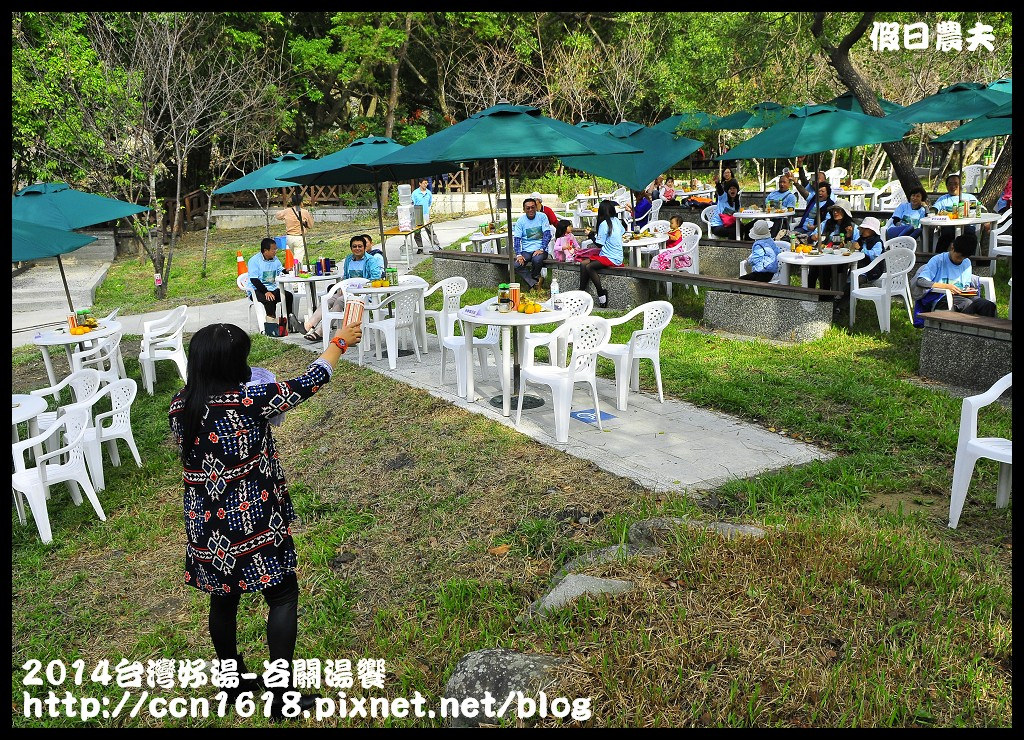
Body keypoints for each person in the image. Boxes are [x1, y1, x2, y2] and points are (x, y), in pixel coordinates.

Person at [168, 319, 362, 720]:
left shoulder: (179, 406)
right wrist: (340, 342)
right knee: (282, 595)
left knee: (223, 601)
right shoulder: (249, 399)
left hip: (206, 527)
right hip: (256, 520)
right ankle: (282, 695)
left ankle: (232, 681)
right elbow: (312, 379)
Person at [303, 236, 383, 342]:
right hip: (347, 291)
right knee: (329, 299)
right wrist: (342, 287)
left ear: (364, 248)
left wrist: (360, 287)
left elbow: (375, 278)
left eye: (360, 246)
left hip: (364, 294)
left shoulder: (371, 260)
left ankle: (320, 332)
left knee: (339, 301)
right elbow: (345, 276)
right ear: (351, 248)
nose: (357, 249)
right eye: (354, 246)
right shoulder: (348, 259)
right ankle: (309, 325)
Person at [911, 232, 996, 322]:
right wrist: (947, 286)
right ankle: (961, 331)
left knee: (987, 305)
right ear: (952, 247)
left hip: (961, 296)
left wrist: (967, 290)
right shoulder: (938, 260)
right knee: (967, 304)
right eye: (959, 256)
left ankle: (986, 333)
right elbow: (921, 281)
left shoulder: (966, 262)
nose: (960, 260)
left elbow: (965, 284)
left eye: (964, 258)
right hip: (941, 297)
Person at [578, 199, 625, 307]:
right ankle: (581, 291)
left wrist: (590, 235)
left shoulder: (604, 224)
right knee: (583, 264)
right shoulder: (616, 221)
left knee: (589, 267)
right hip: (615, 255)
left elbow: (599, 245)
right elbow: (622, 232)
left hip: (611, 257)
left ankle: (601, 293)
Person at [248, 238, 298, 331]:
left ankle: (286, 323)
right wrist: (266, 291)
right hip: (257, 290)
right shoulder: (254, 261)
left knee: (288, 296)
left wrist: (287, 271)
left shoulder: (275, 259)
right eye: (273, 249)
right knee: (269, 299)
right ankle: (271, 326)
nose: (275, 251)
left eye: (276, 249)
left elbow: (280, 270)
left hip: (272, 288)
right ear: (265, 251)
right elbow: (254, 279)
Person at [808, 199, 859, 290]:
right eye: (834, 210)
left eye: (839, 210)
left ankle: (826, 296)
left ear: (845, 212)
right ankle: (810, 293)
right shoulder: (826, 224)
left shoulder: (853, 227)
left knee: (825, 268)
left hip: (842, 258)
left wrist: (848, 236)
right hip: (824, 254)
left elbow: (856, 246)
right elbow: (812, 236)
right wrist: (814, 237)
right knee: (814, 267)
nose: (835, 212)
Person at [932, 174, 984, 252]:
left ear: (961, 186)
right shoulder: (943, 199)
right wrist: (931, 213)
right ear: (946, 186)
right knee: (946, 235)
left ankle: (969, 259)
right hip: (948, 225)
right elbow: (934, 209)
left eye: (956, 184)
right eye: (950, 184)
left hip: (967, 225)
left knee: (971, 237)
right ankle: (939, 258)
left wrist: (987, 223)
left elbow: (981, 209)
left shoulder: (969, 197)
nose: (953, 186)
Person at [513, 197, 552, 290]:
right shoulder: (520, 221)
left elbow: (547, 235)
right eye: (528, 208)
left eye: (532, 207)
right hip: (526, 251)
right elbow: (517, 239)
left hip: (541, 249)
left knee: (536, 259)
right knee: (516, 265)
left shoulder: (542, 217)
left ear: (536, 207)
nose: (531, 210)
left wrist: (541, 249)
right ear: (524, 209)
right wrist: (518, 255)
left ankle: (535, 276)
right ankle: (534, 282)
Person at [275, 193, 314, 266]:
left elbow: (277, 216)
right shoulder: (304, 212)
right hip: (299, 237)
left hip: (289, 237)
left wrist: (285, 211)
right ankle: (297, 273)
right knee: (298, 258)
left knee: (295, 257)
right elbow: (311, 225)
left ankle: (296, 269)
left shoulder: (287, 211)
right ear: (301, 202)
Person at [854, 216, 887, 282]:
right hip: (860, 267)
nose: (862, 231)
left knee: (854, 281)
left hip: (872, 271)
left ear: (872, 231)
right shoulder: (862, 239)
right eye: (862, 228)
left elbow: (874, 256)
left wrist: (861, 249)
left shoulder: (877, 242)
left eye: (865, 229)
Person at [412, 178, 438, 253]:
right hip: (417, 215)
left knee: (430, 231)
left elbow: (429, 203)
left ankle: (436, 245)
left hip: (426, 214)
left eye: (426, 183)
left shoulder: (429, 192)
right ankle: (420, 247)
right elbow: (413, 203)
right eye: (424, 183)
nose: (425, 185)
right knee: (417, 232)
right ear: (420, 183)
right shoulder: (415, 193)